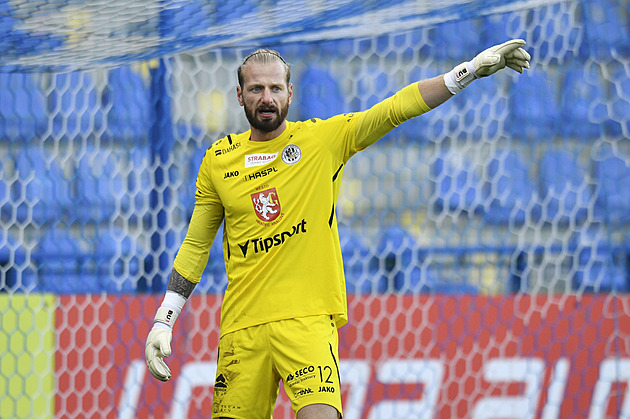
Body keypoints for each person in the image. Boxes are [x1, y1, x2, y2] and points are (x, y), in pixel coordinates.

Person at [145, 40, 531, 418]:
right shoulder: (218, 160)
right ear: (239, 94)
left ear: (290, 93)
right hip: (242, 328)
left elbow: (394, 109)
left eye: (275, 88)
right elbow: (196, 244)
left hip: (309, 321)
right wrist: (166, 318)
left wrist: (465, 73)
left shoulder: (322, 140)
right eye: (257, 89)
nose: (267, 97)